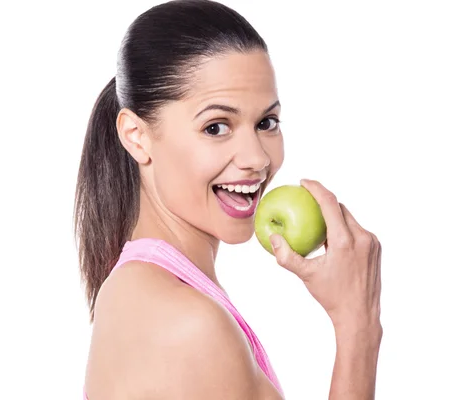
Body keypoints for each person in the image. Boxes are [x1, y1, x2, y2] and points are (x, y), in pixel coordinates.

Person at [74, 0, 382, 398]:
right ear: (137, 136)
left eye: (266, 123)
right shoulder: (188, 325)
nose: (257, 159)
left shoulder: (142, 289)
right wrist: (359, 324)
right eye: (216, 126)